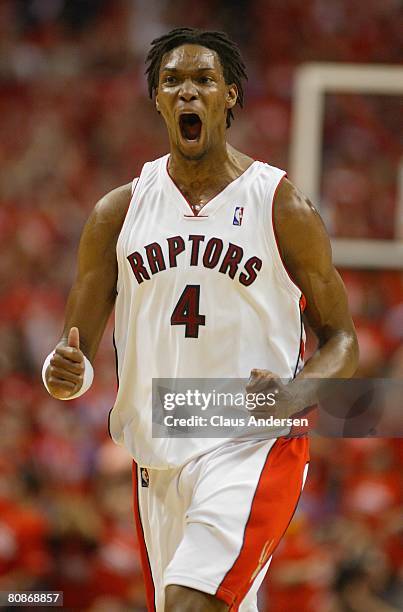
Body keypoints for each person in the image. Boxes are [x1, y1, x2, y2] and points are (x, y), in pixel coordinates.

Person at [42, 27, 358, 612]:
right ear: (157, 100)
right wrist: (62, 373)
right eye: (172, 82)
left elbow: (343, 340)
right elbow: (74, 356)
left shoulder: (280, 204)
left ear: (230, 95)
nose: (188, 92)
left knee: (194, 602)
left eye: (203, 80)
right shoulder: (118, 212)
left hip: (252, 438)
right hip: (157, 456)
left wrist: (300, 391)